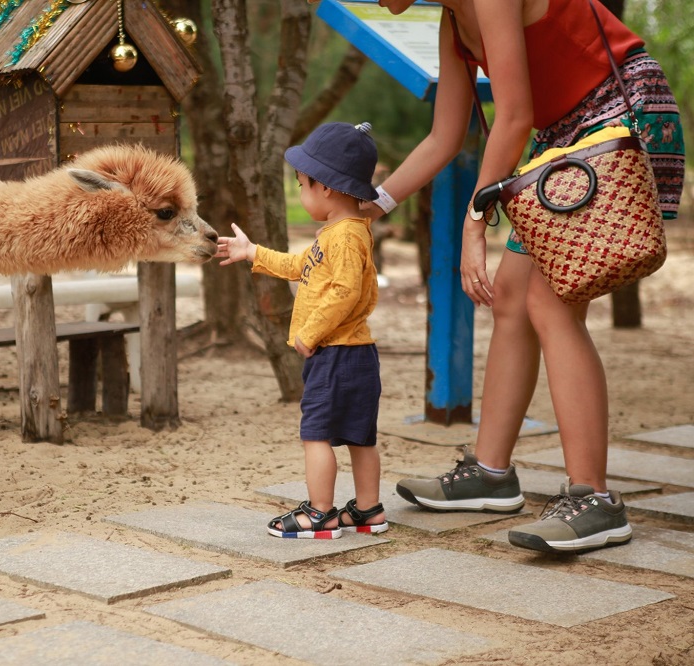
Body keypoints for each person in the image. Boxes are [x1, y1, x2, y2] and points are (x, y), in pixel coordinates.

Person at [358, 0, 685, 553]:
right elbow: (444, 137)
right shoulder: (452, 22)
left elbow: (511, 114)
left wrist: (474, 223)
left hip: (617, 117)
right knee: (513, 295)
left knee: (550, 302)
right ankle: (490, 472)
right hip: (563, 134)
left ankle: (595, 499)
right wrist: (370, 207)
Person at [216, 121, 388, 539]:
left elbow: (345, 292)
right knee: (360, 437)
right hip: (356, 354)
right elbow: (299, 267)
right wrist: (253, 252)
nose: (299, 191)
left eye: (301, 184)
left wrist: (310, 332)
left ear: (325, 186)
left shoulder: (344, 238)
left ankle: (320, 514)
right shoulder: (342, 233)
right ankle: (368, 511)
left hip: (334, 354)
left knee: (317, 435)